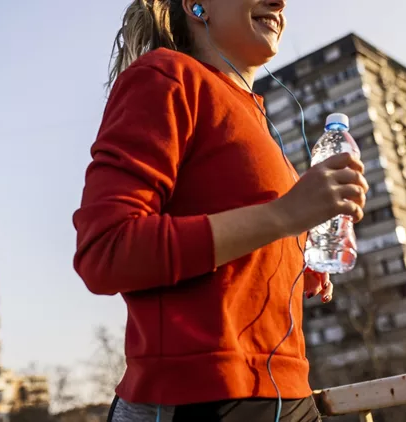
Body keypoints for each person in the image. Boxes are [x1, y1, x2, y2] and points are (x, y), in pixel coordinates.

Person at [73, 0, 368, 420]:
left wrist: (297, 258)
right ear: (199, 6)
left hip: (290, 392)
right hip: (200, 398)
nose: (280, 2)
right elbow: (105, 250)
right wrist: (285, 217)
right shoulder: (166, 77)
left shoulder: (259, 118)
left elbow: (237, 238)